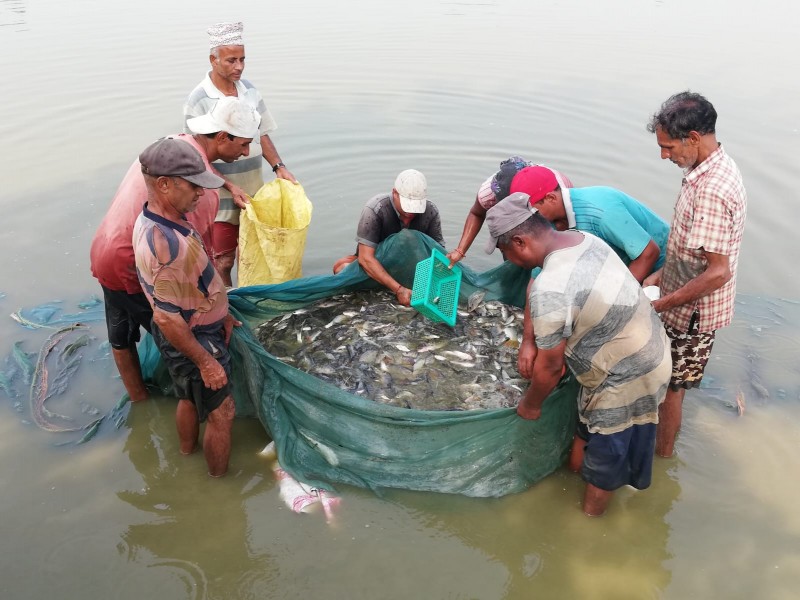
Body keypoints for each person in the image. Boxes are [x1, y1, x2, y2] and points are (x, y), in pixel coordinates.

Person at [485, 192, 671, 516]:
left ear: (519, 242)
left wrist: (530, 405)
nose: (507, 260)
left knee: (606, 465)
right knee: (585, 439)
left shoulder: (551, 288)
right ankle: (572, 485)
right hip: (635, 348)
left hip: (632, 373)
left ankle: (588, 526)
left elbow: (551, 368)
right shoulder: (582, 239)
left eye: (504, 251)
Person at [90, 97, 259, 402]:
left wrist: (229, 186)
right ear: (222, 137)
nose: (246, 152)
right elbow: (200, 266)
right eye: (244, 144)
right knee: (179, 339)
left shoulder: (174, 146)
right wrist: (221, 313)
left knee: (121, 337)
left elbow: (203, 170)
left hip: (106, 248)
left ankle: (140, 404)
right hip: (137, 266)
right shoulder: (198, 197)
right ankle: (187, 402)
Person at [644, 91, 747, 458]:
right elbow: (691, 246)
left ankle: (662, 458)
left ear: (693, 139)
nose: (664, 155)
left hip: (693, 316)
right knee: (663, 380)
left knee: (673, 389)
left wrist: (663, 304)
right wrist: (659, 276)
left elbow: (718, 272)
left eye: (668, 147)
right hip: (677, 298)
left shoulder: (713, 191)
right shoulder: (702, 169)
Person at [132, 138, 240, 477]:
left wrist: (223, 310)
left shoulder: (157, 216)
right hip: (194, 339)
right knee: (222, 414)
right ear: (164, 184)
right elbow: (167, 317)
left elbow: (190, 284)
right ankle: (220, 488)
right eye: (193, 185)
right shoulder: (164, 246)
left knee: (188, 397)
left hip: (192, 330)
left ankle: (186, 452)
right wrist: (206, 362)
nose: (201, 193)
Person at [184, 21, 298, 286]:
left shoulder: (250, 91)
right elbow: (194, 156)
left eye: (243, 59)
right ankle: (228, 306)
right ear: (213, 59)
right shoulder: (198, 99)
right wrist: (229, 186)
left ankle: (252, 296)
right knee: (223, 260)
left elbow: (263, 133)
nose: (239, 67)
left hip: (253, 192)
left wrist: (278, 166)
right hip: (219, 196)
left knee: (256, 253)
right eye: (231, 60)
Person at [332, 169, 444, 306]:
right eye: (406, 205)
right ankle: (388, 285)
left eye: (415, 207)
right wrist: (399, 289)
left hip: (413, 267)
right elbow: (366, 258)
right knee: (340, 268)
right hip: (379, 264)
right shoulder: (376, 209)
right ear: (394, 193)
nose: (410, 212)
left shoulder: (430, 211)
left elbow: (437, 253)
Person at [446, 156, 573, 268]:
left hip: (544, 210)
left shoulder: (556, 187)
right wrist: (460, 250)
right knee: (508, 242)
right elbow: (476, 214)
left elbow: (566, 224)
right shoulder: (490, 193)